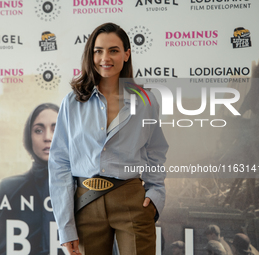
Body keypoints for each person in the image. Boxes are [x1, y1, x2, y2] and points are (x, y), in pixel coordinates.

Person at [49, 22, 169, 255]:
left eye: (113, 50)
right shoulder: (72, 102)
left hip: (132, 200)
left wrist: (155, 194)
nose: (105, 57)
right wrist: (66, 227)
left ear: (126, 54)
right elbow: (60, 163)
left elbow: (156, 150)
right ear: (90, 54)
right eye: (98, 50)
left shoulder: (146, 101)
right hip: (86, 202)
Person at [0, 103, 59, 255]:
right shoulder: (10, 188)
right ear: (29, 137)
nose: (47, 137)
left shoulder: (82, 188)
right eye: (38, 130)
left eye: (56, 129)